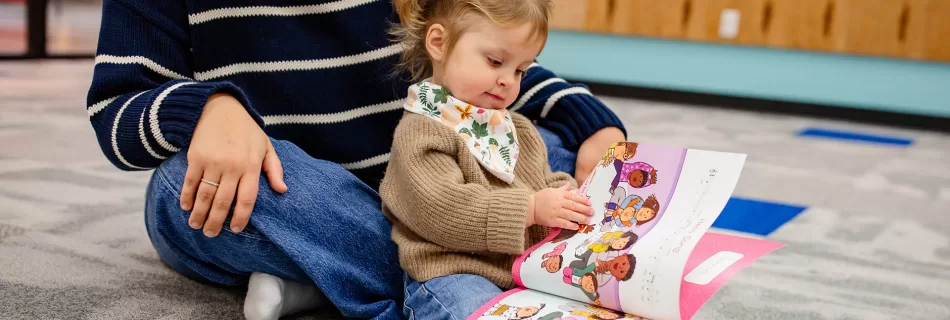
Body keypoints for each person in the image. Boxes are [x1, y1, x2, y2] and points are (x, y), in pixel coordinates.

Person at [85, 0, 626, 319]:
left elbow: (485, 52)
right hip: (294, 193)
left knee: (543, 145)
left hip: (420, 179)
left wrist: (591, 123)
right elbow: (116, 109)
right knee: (183, 183)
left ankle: (324, 275)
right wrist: (208, 109)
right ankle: (462, 276)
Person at [377, 0, 602, 318]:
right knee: (476, 311)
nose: (509, 80)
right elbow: (443, 208)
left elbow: (543, 180)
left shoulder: (515, 127)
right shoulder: (422, 131)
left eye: (520, 69)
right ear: (439, 43)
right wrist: (531, 208)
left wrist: (571, 202)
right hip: (453, 273)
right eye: (495, 61)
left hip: (522, 269)